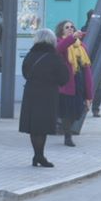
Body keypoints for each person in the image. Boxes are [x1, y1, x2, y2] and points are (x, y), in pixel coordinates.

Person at [20, 28, 71, 167]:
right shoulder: (54, 57)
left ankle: (37, 155)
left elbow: (25, 72)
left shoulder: (30, 55)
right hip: (47, 94)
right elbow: (64, 78)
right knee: (42, 127)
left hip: (31, 93)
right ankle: (39, 156)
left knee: (34, 127)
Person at [55, 20, 93, 147]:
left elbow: (86, 67)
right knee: (68, 111)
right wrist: (72, 38)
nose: (70, 29)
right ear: (62, 30)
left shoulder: (81, 46)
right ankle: (67, 135)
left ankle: (64, 128)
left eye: (72, 27)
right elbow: (59, 49)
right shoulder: (61, 42)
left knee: (78, 111)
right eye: (67, 27)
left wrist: (89, 95)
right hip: (67, 82)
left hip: (79, 80)